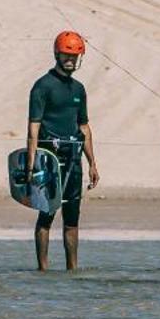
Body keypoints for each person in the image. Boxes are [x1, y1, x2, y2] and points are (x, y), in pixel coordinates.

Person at [25, 30, 99, 270]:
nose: (70, 60)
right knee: (46, 216)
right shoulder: (42, 86)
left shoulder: (79, 89)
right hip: (49, 160)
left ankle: (72, 270)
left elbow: (84, 127)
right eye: (66, 55)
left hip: (74, 160)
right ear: (57, 54)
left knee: (72, 220)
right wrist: (30, 162)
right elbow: (33, 128)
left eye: (75, 56)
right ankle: (43, 269)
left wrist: (92, 163)